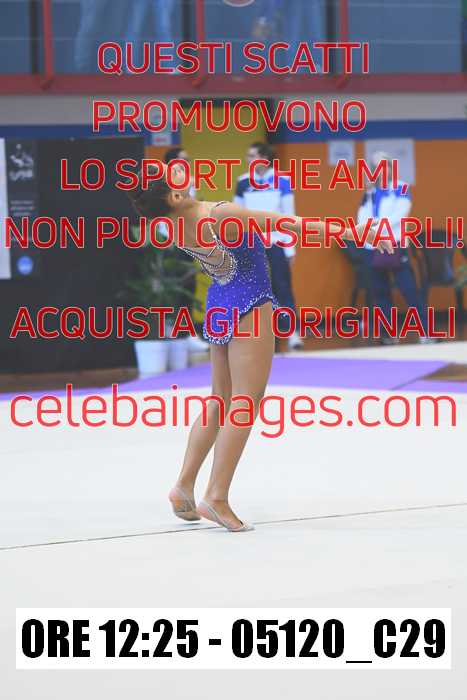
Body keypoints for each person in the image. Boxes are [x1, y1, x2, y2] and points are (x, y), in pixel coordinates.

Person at [127, 162, 392, 532]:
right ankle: (216, 497)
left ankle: (183, 487)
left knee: (219, 399)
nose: (183, 173)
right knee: (244, 402)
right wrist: (352, 231)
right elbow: (289, 224)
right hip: (249, 302)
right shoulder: (221, 214)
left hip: (220, 301)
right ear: (173, 195)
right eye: (175, 175)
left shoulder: (172, 225)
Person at [235, 142, 304, 350]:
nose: (248, 159)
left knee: (282, 286)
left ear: (265, 158)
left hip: (276, 242)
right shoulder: (242, 182)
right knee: (253, 289)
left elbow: (289, 216)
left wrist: (290, 248)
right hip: (252, 244)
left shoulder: (282, 180)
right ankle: (256, 332)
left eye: (252, 155)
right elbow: (237, 216)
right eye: (248, 155)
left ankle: (291, 332)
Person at [357, 152, 428, 345]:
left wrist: (376, 226)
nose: (381, 170)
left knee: (409, 289)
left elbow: (400, 215)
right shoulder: (369, 193)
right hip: (372, 247)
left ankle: (425, 332)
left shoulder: (400, 187)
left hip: (395, 244)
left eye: (385, 166)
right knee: (380, 292)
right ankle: (389, 335)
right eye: (377, 167)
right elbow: (361, 219)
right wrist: (369, 197)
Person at [162, 147, 208, 354]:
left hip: (185, 241)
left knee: (188, 286)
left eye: (188, 160)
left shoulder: (190, 182)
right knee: (169, 288)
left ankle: (188, 333)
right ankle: (170, 331)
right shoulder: (159, 184)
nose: (188, 164)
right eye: (184, 160)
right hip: (166, 242)